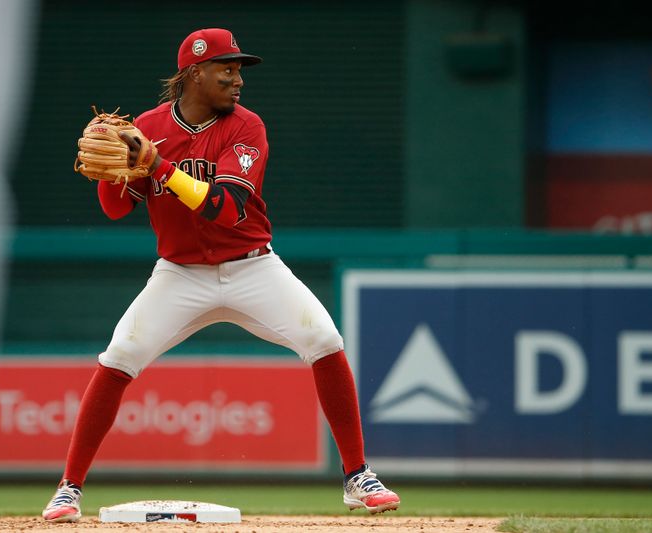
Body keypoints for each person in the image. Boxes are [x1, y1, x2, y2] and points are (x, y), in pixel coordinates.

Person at [42, 28, 400, 523]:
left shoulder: (246, 127)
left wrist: (157, 166)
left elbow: (227, 209)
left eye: (239, 70)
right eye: (226, 69)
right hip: (180, 274)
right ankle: (68, 489)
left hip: (252, 265)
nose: (238, 80)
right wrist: (115, 171)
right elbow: (115, 209)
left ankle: (358, 476)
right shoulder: (148, 128)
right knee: (120, 355)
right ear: (193, 73)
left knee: (323, 338)